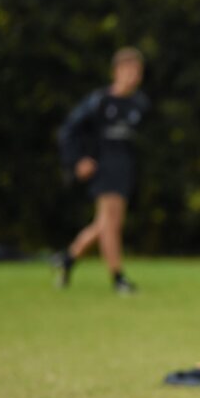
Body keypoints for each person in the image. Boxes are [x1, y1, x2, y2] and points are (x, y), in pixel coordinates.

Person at [55, 47, 148, 294]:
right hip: (104, 170)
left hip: (124, 170)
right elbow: (69, 131)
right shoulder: (99, 102)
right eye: (127, 70)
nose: (132, 76)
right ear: (115, 72)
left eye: (136, 71)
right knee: (111, 225)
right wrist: (78, 160)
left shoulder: (138, 104)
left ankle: (68, 258)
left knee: (103, 224)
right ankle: (118, 278)